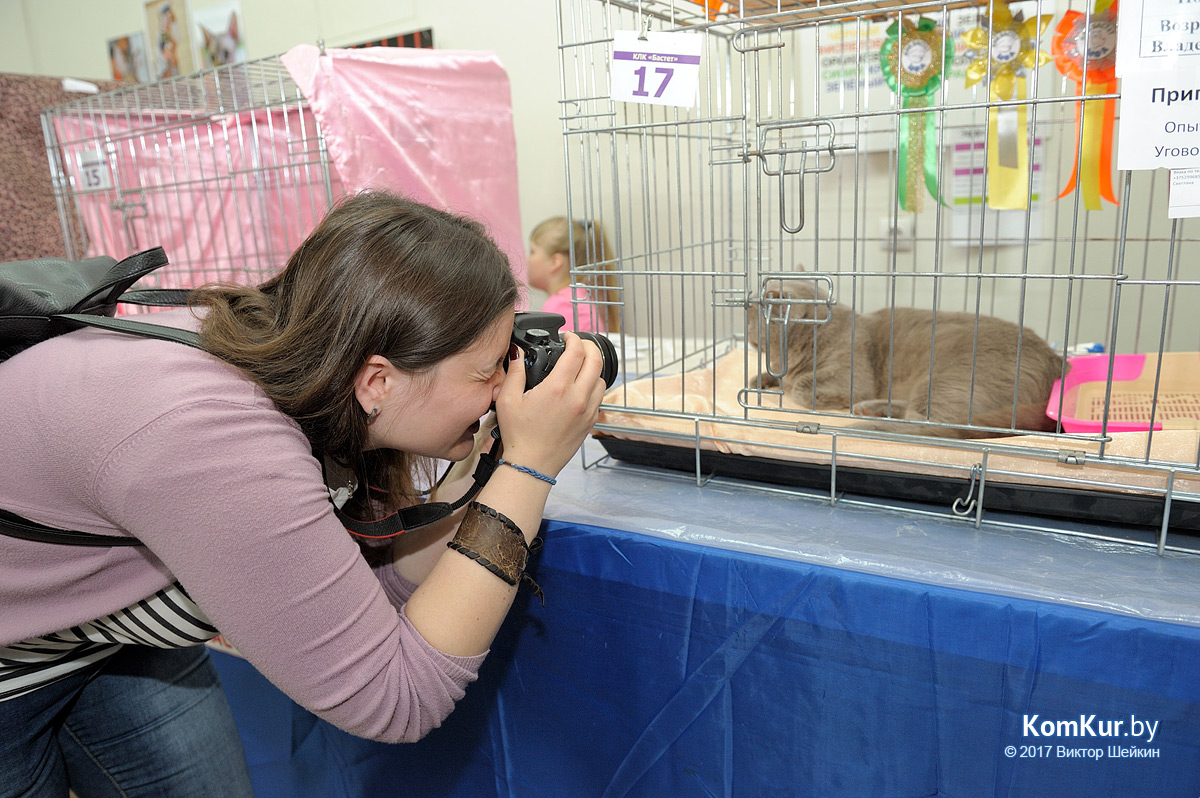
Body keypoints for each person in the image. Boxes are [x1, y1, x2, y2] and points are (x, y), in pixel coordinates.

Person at [0, 191, 606, 796]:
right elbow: (394, 698)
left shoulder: (306, 368)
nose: (505, 385)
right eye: (489, 369)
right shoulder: (220, 441)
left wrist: (489, 463)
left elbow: (369, 592)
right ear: (378, 380)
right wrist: (529, 468)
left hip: (107, 632)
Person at [527, 216, 621, 333]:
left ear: (555, 262)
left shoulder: (562, 307)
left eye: (532, 252)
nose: (527, 259)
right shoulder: (577, 297)